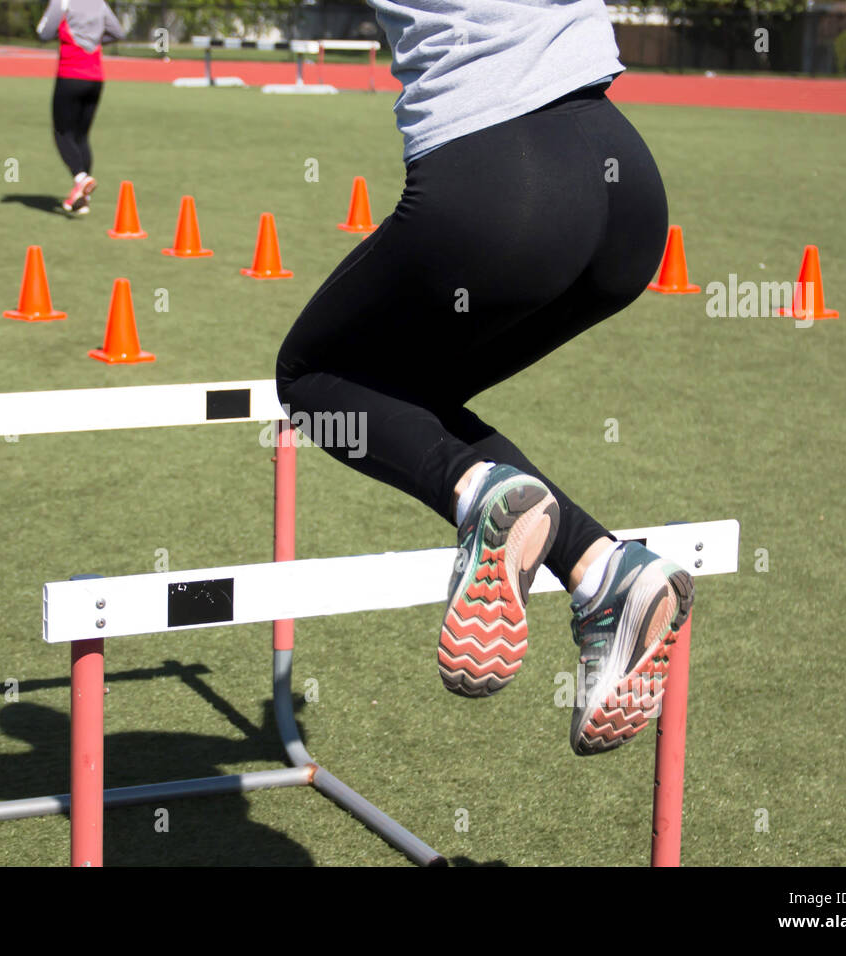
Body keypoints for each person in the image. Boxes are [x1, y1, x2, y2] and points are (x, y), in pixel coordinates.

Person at [275, 0, 694, 756]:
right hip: (624, 185)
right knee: (401, 396)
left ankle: (476, 492)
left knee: (314, 377)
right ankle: (604, 571)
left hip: (506, 176)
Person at [36, 0, 125, 215]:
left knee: (62, 133)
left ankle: (81, 178)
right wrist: (94, 38)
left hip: (71, 74)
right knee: (81, 136)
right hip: (96, 77)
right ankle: (83, 199)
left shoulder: (63, 1)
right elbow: (118, 32)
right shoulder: (99, 3)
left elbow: (43, 33)